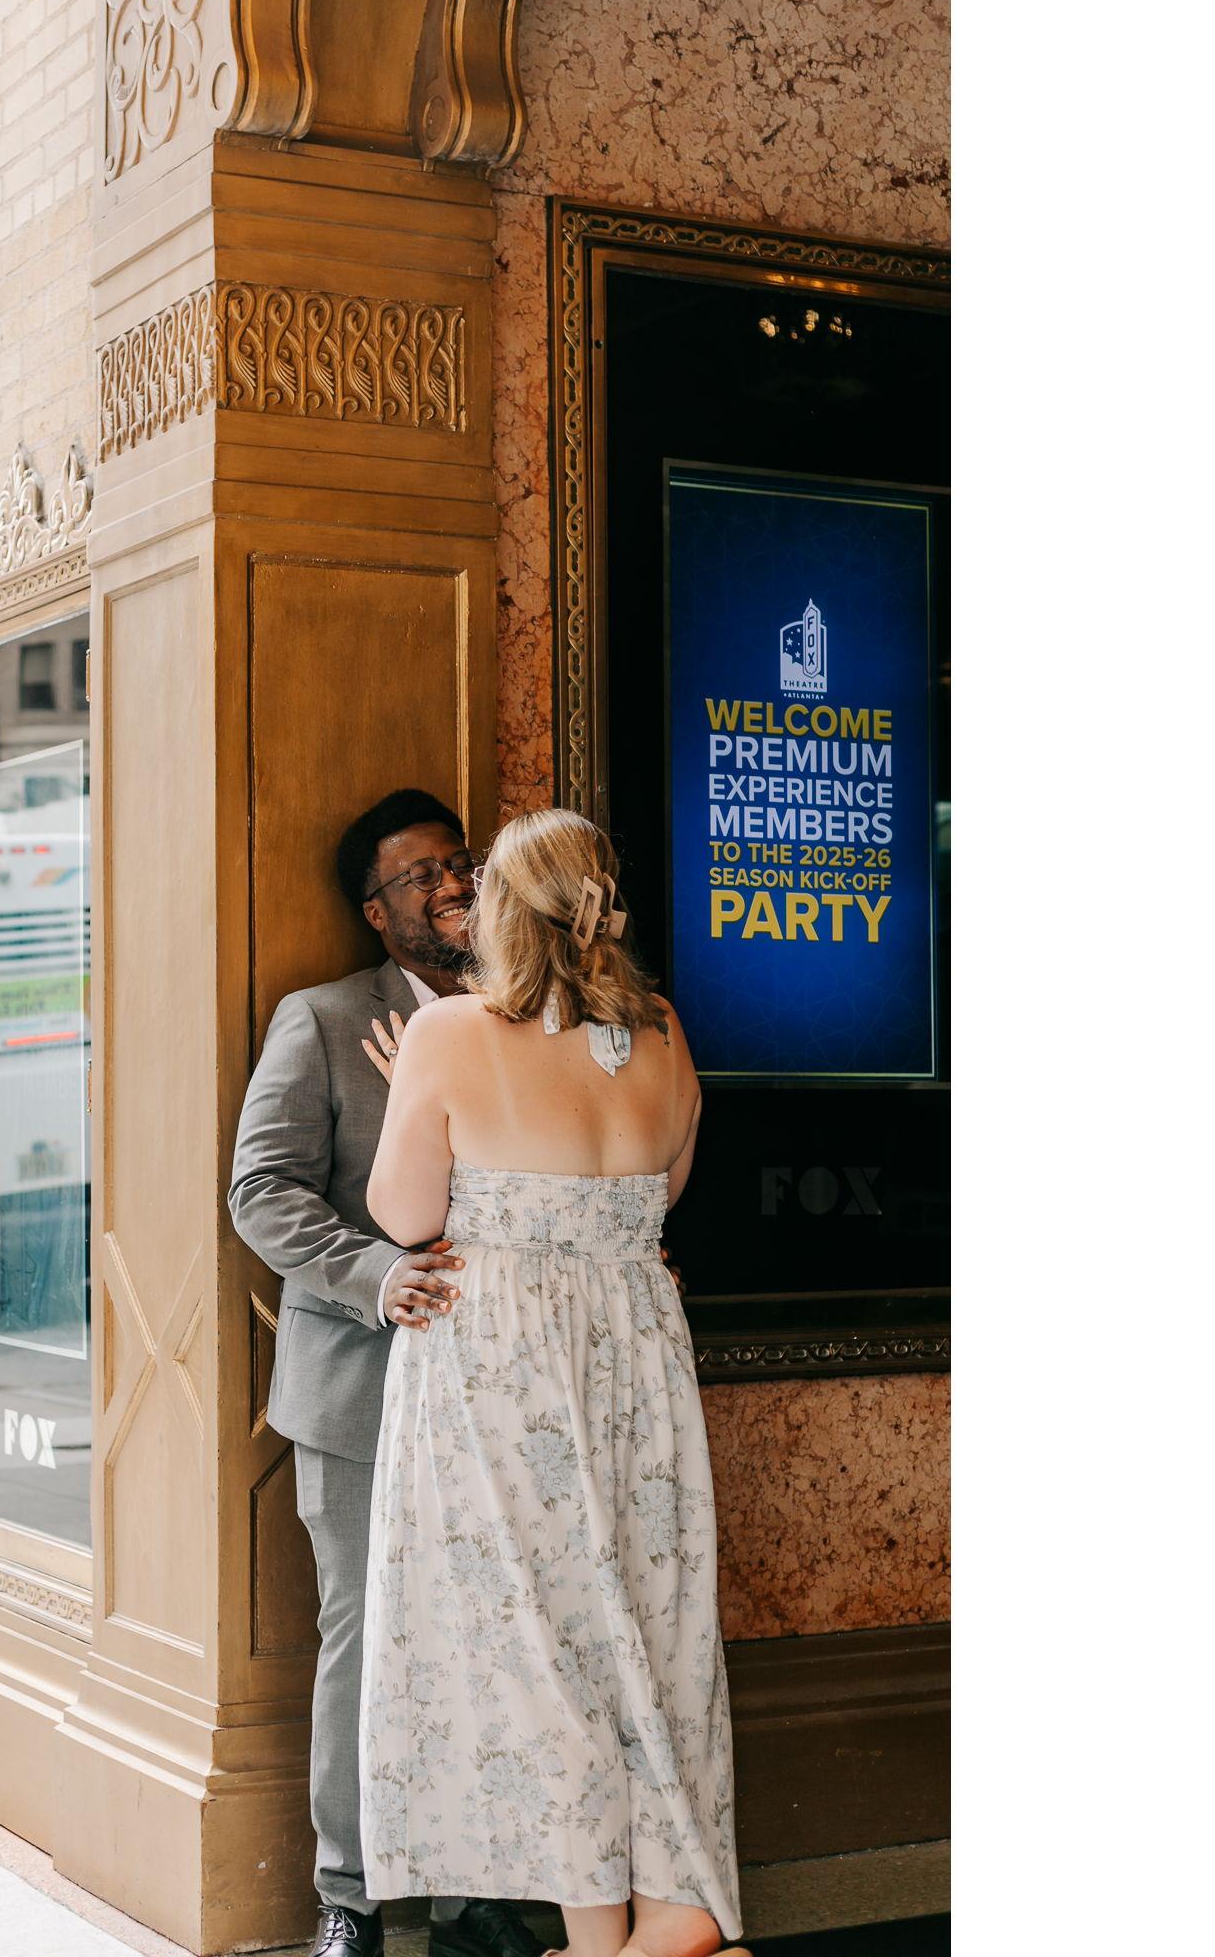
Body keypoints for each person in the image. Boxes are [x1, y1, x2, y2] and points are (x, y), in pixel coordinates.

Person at [355, 807, 749, 1957]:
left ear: (497, 910)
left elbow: (403, 1215)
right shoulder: (664, 1029)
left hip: (500, 1371)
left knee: (539, 1638)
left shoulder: (449, 1032)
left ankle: (597, 1926)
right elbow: (661, 1189)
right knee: (653, 1626)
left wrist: (413, 1084)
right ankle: (675, 1906)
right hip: (637, 1351)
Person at [229, 789, 551, 1957]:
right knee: (365, 1637)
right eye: (420, 873)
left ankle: (477, 1891)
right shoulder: (317, 1019)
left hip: (501, 1390)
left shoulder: (526, 1014)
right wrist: (374, 1274)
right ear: (376, 912)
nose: (450, 882)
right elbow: (259, 1190)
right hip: (362, 1386)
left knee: (482, 1635)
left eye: (460, 861)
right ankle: (350, 1896)